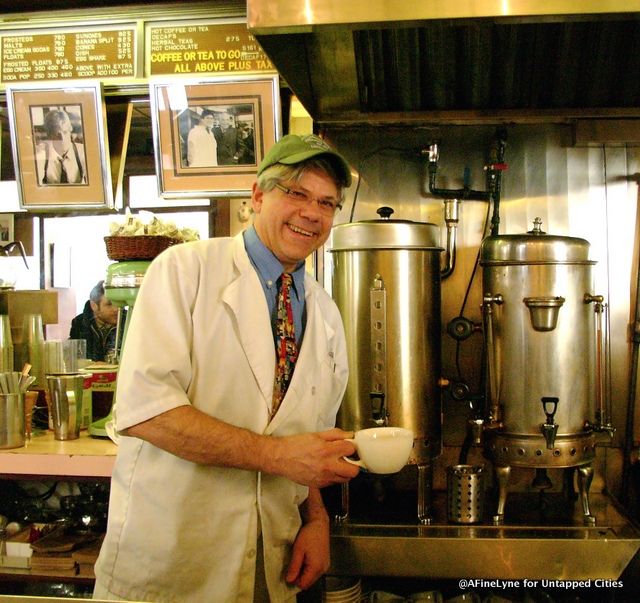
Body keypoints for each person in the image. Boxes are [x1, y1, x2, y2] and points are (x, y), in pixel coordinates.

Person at [93, 134, 357, 602]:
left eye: (327, 203)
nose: (312, 213)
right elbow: (147, 411)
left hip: (270, 562)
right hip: (176, 561)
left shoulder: (325, 313)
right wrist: (277, 457)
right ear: (257, 196)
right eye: (296, 193)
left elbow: (308, 442)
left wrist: (316, 521)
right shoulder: (184, 270)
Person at [69, 281, 120, 362]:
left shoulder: (128, 322)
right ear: (94, 306)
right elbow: (72, 359)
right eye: (109, 304)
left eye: (118, 303)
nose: (116, 309)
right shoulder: (79, 323)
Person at [34, 109, 87, 185]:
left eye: (65, 132)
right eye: (58, 135)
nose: (63, 139)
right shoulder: (42, 154)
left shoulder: (83, 152)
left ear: (70, 130)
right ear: (50, 136)